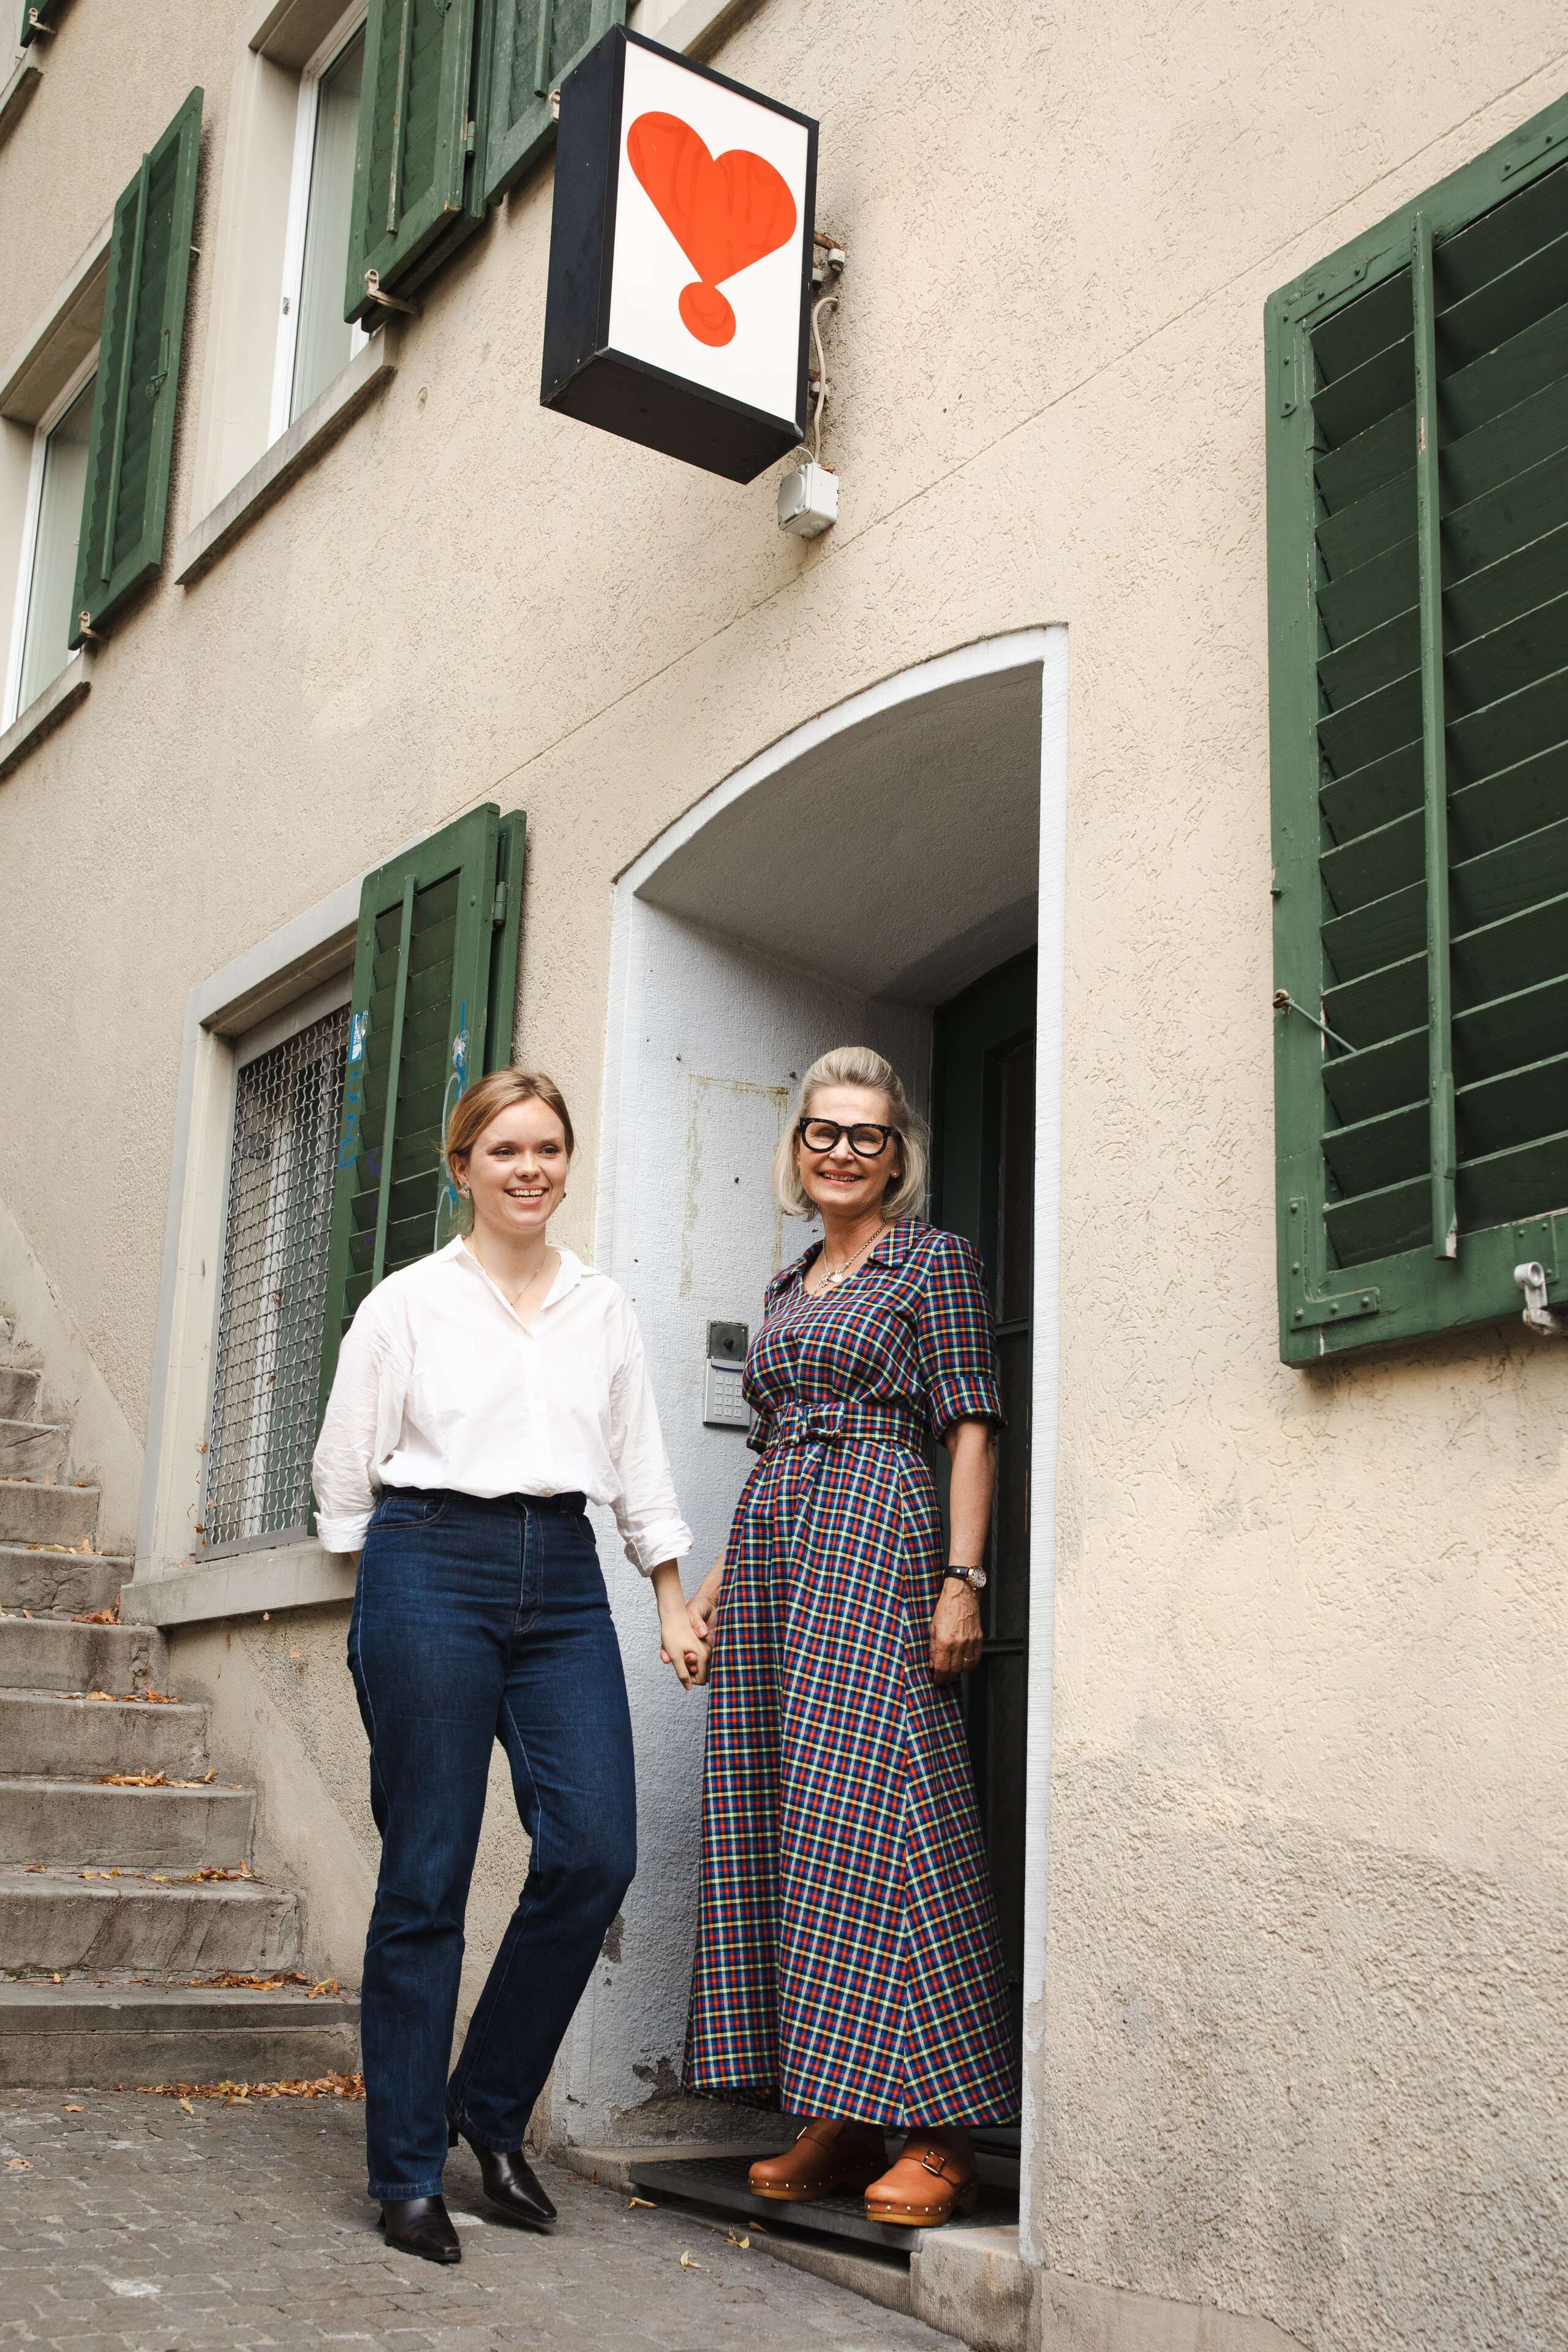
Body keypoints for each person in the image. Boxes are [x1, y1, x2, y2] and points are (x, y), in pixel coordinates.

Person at [313, 1067, 704, 2266]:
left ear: (564, 1163)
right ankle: (407, 2173)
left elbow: (636, 1462)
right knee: (425, 1874)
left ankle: (486, 2116)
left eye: (547, 1148)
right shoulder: (407, 1303)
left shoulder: (600, 1306)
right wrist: (380, 1596)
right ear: (463, 1169)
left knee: (594, 1851)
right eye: (504, 1151)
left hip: (564, 1572)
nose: (529, 1169)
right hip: (428, 1559)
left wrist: (669, 1601)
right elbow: (343, 1473)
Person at [677, 1044, 1016, 2226]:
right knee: (795, 1805)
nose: (842, 1153)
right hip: (775, 1547)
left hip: (880, 1535)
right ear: (799, 1148)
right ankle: (838, 2099)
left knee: (889, 1800)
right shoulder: (784, 1288)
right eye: (823, 1133)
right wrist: (721, 1580)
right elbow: (769, 1445)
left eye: (866, 1136)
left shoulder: (935, 1265)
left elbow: (971, 1425)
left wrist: (962, 1579)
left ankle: (942, 2125)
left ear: (897, 1156)